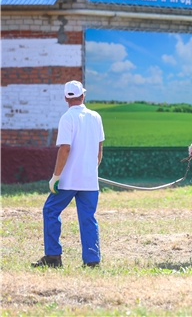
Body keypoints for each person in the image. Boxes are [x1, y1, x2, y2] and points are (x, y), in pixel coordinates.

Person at [32, 80, 105, 268]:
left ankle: (53, 257)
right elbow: (99, 149)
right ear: (83, 95)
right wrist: (91, 170)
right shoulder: (95, 116)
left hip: (68, 181)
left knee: (50, 210)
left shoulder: (67, 118)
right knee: (88, 217)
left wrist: (56, 176)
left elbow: (65, 149)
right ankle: (92, 260)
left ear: (66, 98)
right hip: (89, 182)